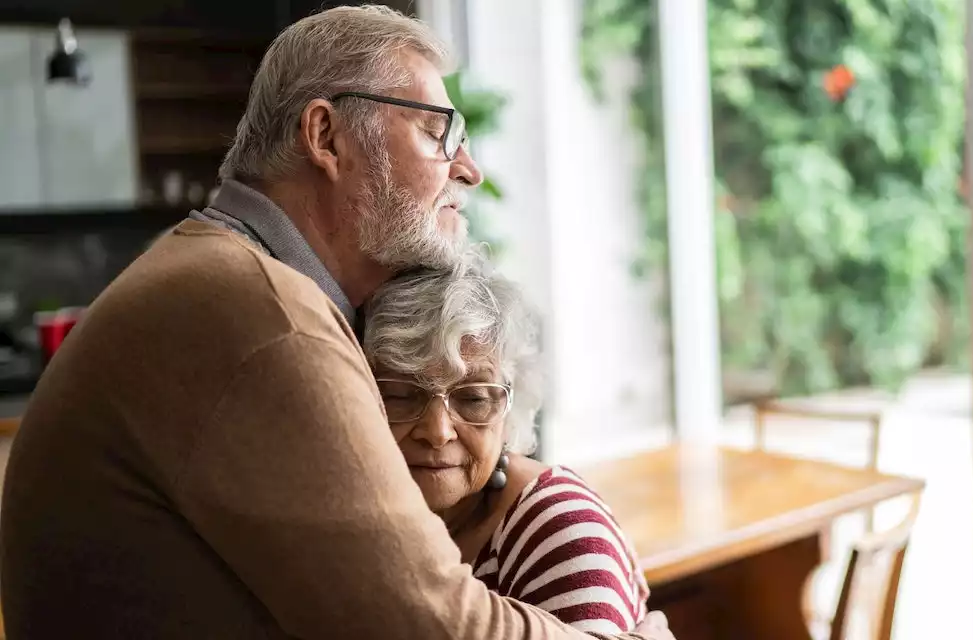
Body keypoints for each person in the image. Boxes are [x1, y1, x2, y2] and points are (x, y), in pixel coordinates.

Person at [0, 6, 671, 640]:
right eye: (438, 133)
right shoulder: (261, 313)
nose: (468, 169)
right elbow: (433, 625)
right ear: (326, 137)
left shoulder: (225, 279)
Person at [363, 253, 650, 634]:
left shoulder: (560, 527)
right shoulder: (357, 516)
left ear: (510, 408)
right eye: (401, 395)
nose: (438, 431)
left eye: (474, 398)